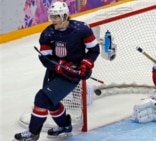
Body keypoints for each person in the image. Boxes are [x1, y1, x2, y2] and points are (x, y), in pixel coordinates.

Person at [14, 1, 100, 140]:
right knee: (51, 102)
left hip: (72, 74)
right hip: (55, 71)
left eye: (56, 17)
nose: (53, 20)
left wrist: (85, 65)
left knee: (41, 98)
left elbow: (94, 50)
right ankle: (65, 126)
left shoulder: (82, 29)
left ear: (65, 16)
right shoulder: (48, 33)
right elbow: (45, 58)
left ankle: (33, 133)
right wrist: (58, 66)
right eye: (51, 17)